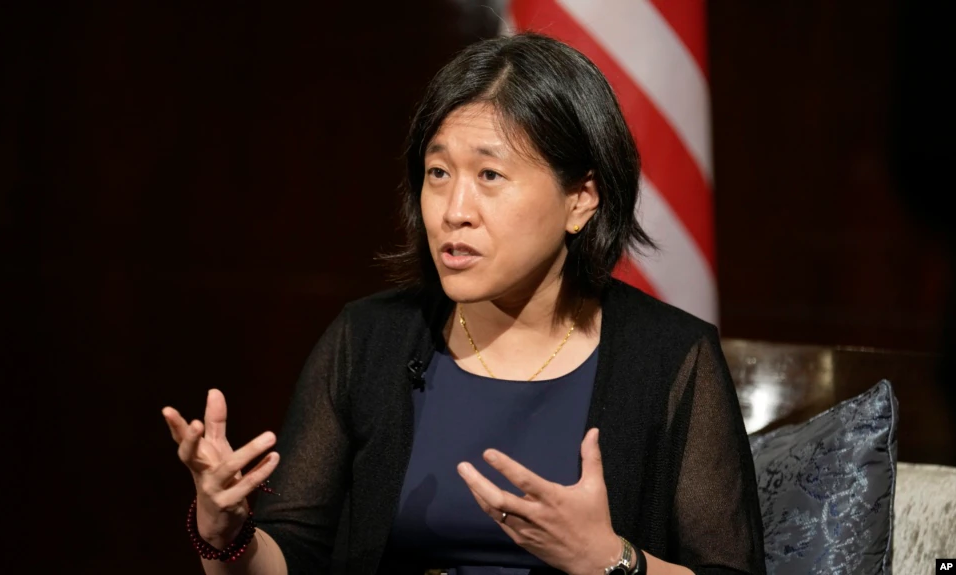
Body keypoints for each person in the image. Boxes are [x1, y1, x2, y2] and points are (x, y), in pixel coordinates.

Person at [162, 32, 766, 575]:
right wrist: (226, 535)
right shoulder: (368, 339)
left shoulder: (670, 356)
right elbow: (294, 554)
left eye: (490, 176)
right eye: (438, 173)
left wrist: (608, 560)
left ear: (581, 199)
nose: (454, 212)